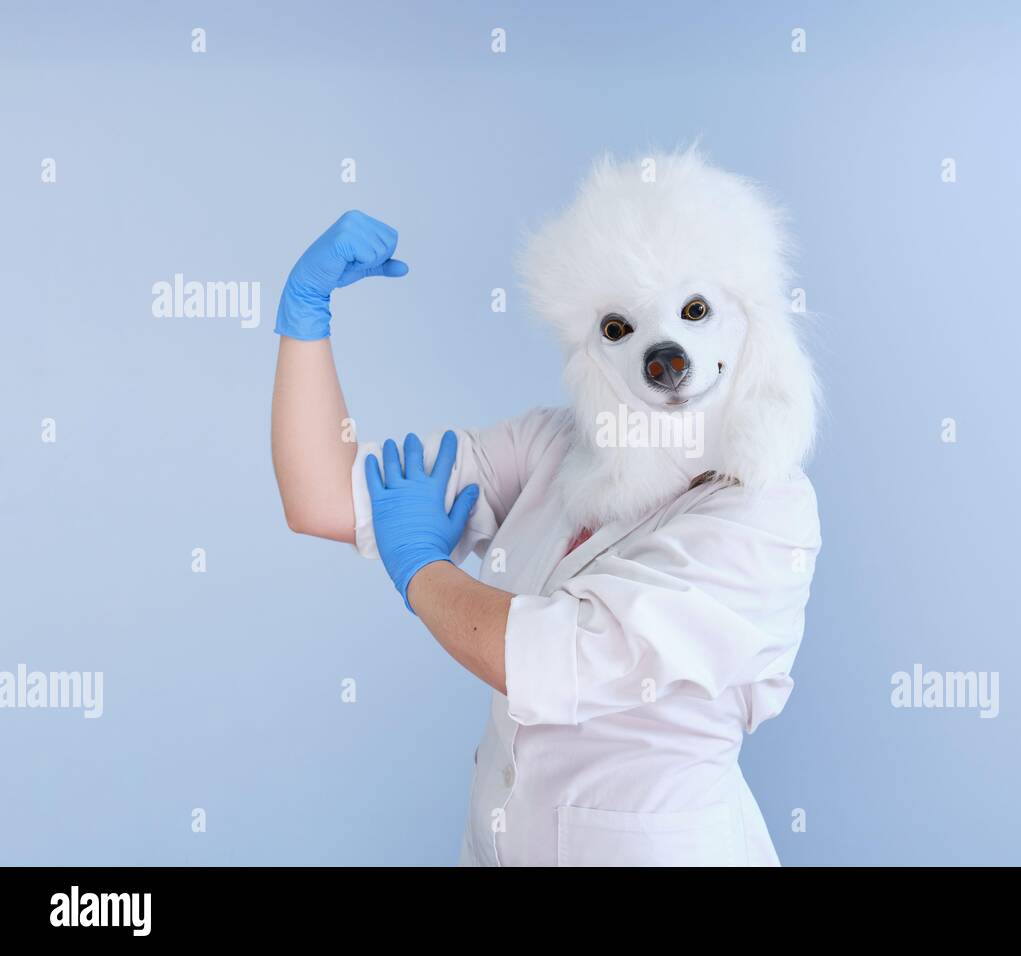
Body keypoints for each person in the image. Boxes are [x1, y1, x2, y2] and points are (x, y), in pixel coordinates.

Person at [270, 150, 821, 866]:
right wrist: (305, 318)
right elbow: (322, 497)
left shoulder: (766, 515)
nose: (666, 353)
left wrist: (420, 569)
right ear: (588, 349)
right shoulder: (553, 447)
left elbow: (559, 654)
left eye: (694, 311)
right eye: (619, 328)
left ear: (748, 318)